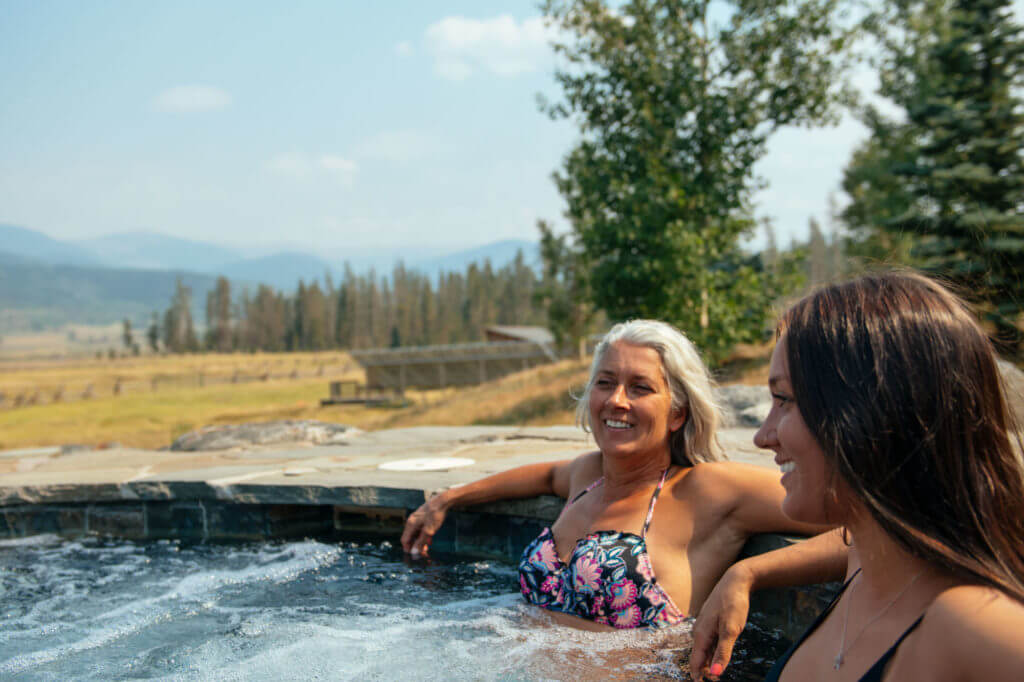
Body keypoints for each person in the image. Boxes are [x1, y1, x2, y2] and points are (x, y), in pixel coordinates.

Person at [689, 272, 1024, 680]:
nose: (762, 436)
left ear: (872, 413)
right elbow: (871, 534)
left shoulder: (975, 627)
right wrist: (746, 572)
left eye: (784, 400)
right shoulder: (870, 559)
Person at [401, 319, 829, 630]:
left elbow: (875, 523)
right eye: (605, 383)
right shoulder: (587, 475)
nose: (616, 401)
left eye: (640, 388)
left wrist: (749, 574)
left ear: (677, 412)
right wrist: (449, 498)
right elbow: (544, 474)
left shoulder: (707, 489)